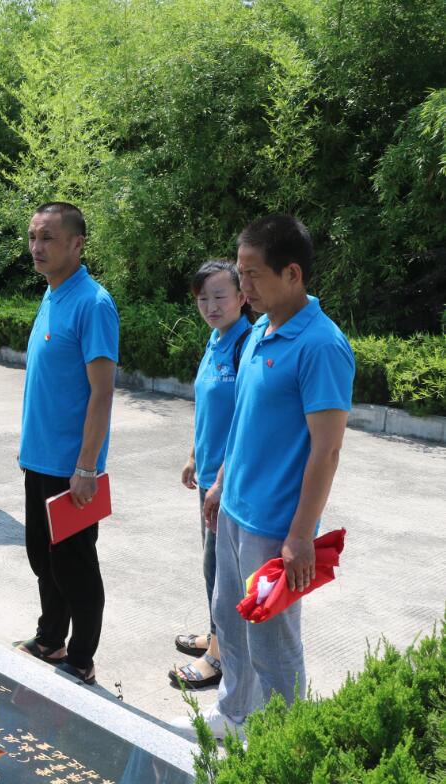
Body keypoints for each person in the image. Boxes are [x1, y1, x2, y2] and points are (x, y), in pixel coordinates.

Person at [172, 214, 354, 740]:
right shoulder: (257, 332)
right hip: (234, 510)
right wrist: (220, 484)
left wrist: (300, 535)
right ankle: (234, 717)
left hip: (274, 526)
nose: (242, 285)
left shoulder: (321, 345)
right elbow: (243, 422)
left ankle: (281, 743)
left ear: (292, 273)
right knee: (230, 623)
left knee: (272, 642)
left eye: (252, 275)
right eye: (240, 272)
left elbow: (327, 450)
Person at [15, 202, 118, 686]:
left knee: (75, 565)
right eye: (33, 237)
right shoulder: (52, 293)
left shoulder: (93, 303)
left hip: (71, 466)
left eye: (48, 238)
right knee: (43, 557)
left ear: (77, 244)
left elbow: (102, 391)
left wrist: (86, 467)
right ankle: (50, 637)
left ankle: (81, 658)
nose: (36, 247)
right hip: (38, 457)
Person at [170, 260, 252, 690]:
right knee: (212, 564)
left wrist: (219, 481)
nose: (211, 306)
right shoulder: (216, 340)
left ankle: (219, 657)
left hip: (230, 481)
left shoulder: (246, 345)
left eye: (220, 296)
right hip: (208, 476)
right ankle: (216, 634)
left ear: (242, 296)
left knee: (220, 569)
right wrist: (192, 455)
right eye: (203, 298)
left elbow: (247, 419)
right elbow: (208, 408)